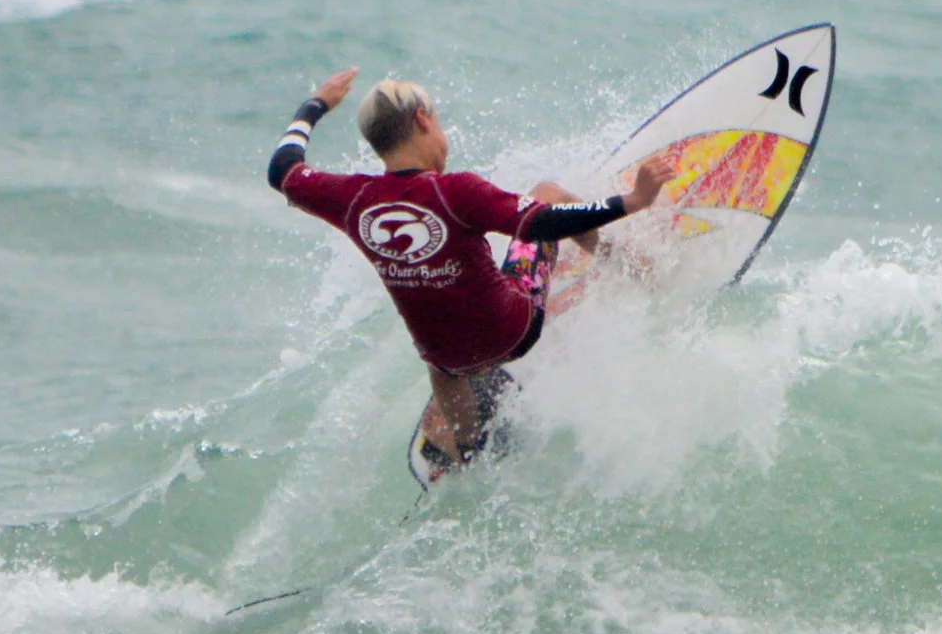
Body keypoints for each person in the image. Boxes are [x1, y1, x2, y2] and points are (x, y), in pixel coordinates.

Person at [267, 68, 673, 459]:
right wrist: (632, 200)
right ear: (423, 120)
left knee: (441, 364)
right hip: (514, 330)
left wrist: (315, 104)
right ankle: (637, 268)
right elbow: (545, 223)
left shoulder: (351, 199)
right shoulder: (456, 191)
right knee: (549, 194)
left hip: (451, 359)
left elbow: (282, 170)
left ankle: (466, 449)